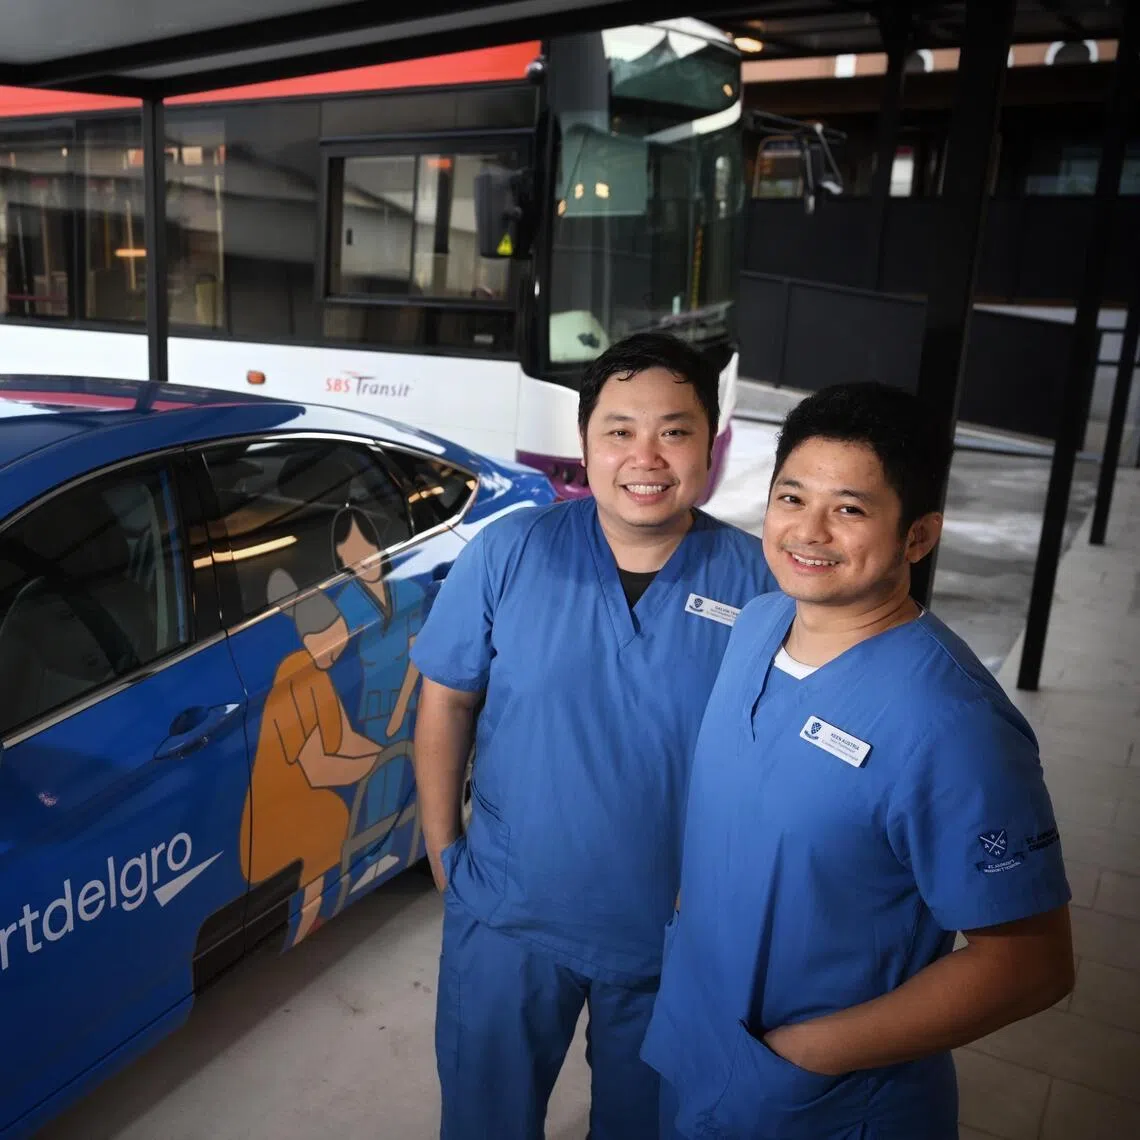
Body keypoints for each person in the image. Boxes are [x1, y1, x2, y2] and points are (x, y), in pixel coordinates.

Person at [642, 382, 1075, 1140]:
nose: (808, 531)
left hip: (825, 1101)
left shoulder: (953, 723)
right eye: (791, 497)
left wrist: (810, 1054)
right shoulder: (759, 623)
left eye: (849, 509)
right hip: (703, 1040)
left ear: (918, 536)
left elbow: (1031, 965)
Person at [410, 332, 778, 1140]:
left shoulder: (761, 583)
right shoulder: (511, 551)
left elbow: (778, 766)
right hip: (509, 917)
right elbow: (446, 701)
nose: (646, 457)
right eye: (620, 430)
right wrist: (443, 852)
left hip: (674, 940)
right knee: (484, 1123)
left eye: (674, 431)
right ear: (585, 442)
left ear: (710, 444)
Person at [240, 569, 382, 947]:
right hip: (273, 816)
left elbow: (346, 738)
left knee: (330, 812)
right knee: (330, 815)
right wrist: (372, 764)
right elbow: (318, 770)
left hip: (298, 800)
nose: (339, 649)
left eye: (341, 637)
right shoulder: (295, 673)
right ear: (309, 640)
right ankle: (305, 918)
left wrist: (379, 753)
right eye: (331, 642)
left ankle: (311, 912)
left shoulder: (320, 672)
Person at [331, 507, 424, 835]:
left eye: (365, 547)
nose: (362, 560)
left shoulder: (409, 590)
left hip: (410, 700)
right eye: (351, 554)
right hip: (370, 707)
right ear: (342, 560)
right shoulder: (345, 603)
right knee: (375, 791)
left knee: (408, 776)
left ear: (377, 545)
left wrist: (399, 710)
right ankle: (374, 852)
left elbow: (416, 655)